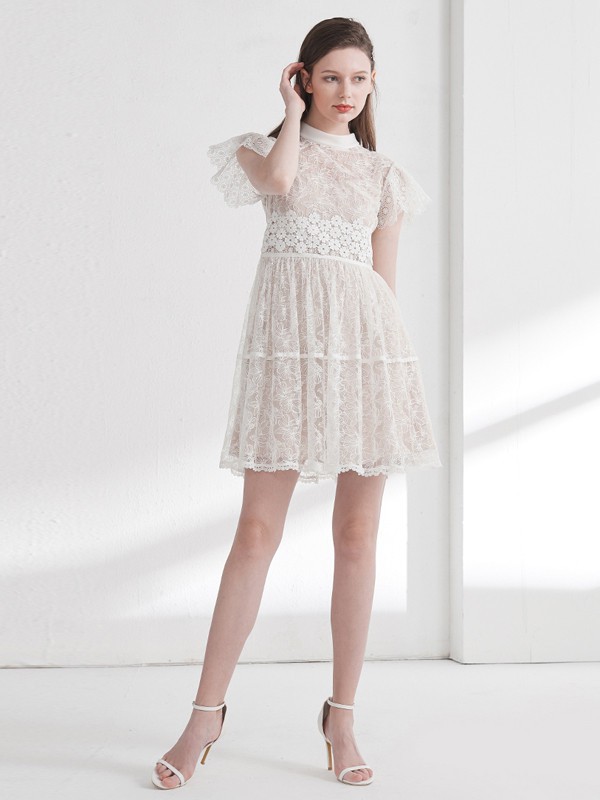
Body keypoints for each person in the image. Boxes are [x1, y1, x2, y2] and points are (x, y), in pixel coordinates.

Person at [152, 16, 442, 791]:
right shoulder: (262, 149)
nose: (347, 92)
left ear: (374, 84)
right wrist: (288, 115)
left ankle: (341, 716)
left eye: (360, 79)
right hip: (287, 359)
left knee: (357, 537)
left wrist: (386, 378)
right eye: (331, 77)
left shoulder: (384, 177)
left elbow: (383, 285)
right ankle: (205, 715)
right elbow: (279, 185)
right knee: (255, 533)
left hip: (366, 357)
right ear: (303, 77)